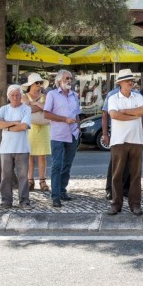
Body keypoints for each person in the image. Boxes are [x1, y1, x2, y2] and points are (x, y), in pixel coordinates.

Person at [106, 69, 143, 216]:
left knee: (136, 175)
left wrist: (124, 112)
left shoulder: (138, 96)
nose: (131, 82)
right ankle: (116, 204)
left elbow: (142, 110)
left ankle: (135, 204)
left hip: (136, 139)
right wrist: (132, 115)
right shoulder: (113, 98)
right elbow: (114, 114)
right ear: (120, 83)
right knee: (117, 174)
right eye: (128, 80)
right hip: (118, 141)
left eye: (132, 80)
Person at [43, 69, 81, 208]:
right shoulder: (52, 94)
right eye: (66, 78)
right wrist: (64, 119)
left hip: (72, 134)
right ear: (59, 81)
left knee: (67, 164)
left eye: (70, 78)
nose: (69, 81)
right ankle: (55, 196)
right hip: (58, 135)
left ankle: (62, 190)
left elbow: (77, 113)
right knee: (57, 165)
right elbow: (46, 114)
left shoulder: (74, 95)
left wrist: (78, 126)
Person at [0, 85, 32, 209]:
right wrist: (15, 123)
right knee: (5, 177)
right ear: (8, 97)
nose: (15, 97)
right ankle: (6, 201)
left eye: (17, 95)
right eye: (12, 95)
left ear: (21, 96)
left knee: (23, 177)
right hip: (6, 148)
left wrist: (6, 126)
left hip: (22, 148)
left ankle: (24, 201)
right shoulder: (3, 109)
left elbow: (24, 126)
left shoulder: (26, 109)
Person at [22, 73, 50, 192]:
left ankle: (42, 180)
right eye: (37, 83)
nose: (39, 85)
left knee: (42, 156)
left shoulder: (46, 95)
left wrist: (34, 104)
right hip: (30, 128)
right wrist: (40, 106)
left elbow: (48, 107)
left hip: (43, 128)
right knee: (30, 155)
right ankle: (30, 180)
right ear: (31, 85)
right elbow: (26, 109)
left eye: (40, 83)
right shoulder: (24, 96)